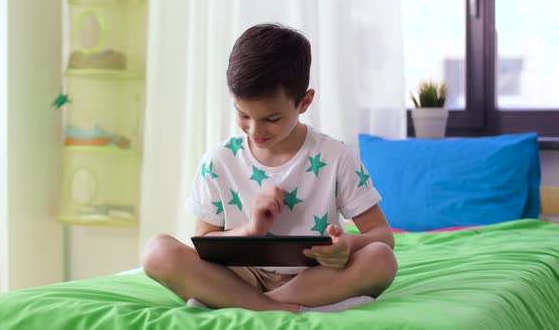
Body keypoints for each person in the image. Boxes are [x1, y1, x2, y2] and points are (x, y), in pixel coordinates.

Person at [142, 23, 398, 313]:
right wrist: (251, 230)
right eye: (243, 114)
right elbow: (207, 244)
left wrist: (348, 245)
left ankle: (256, 306)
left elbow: (382, 235)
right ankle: (278, 306)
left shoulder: (336, 156)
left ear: (304, 102)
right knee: (157, 252)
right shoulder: (218, 161)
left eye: (272, 118)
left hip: (313, 277)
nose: (255, 129)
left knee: (381, 259)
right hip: (237, 276)